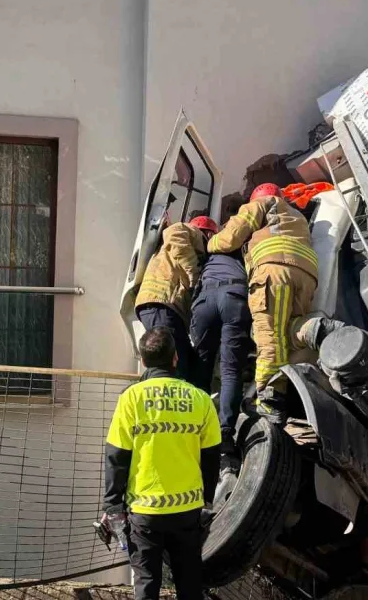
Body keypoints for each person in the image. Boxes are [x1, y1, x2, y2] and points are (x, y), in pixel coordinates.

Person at [102, 327, 222, 600]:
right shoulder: (201, 400)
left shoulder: (131, 398)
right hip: (188, 509)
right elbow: (212, 456)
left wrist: (112, 505)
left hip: (145, 512)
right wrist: (207, 501)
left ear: (143, 360)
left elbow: (117, 456)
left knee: (147, 584)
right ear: (175, 358)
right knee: (190, 585)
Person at [207, 183, 318, 425]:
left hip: (273, 273)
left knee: (269, 335)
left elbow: (229, 239)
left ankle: (269, 400)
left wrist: (210, 244)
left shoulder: (259, 204)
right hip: (307, 277)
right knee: (290, 333)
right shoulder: (297, 215)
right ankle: (317, 329)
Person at [189, 206, 253, 498]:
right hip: (234, 296)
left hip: (205, 299)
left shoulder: (205, 255)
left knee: (201, 369)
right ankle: (225, 431)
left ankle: (193, 428)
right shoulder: (241, 246)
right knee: (229, 372)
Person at [134, 216, 219, 382]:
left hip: (159, 306)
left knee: (181, 357)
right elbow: (174, 232)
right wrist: (193, 274)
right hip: (162, 304)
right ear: (208, 234)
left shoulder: (172, 251)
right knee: (174, 364)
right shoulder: (191, 231)